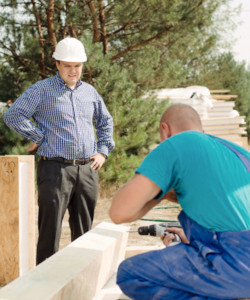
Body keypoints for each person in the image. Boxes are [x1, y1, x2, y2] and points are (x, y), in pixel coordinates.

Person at [109, 103, 250, 300]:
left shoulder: (176, 143)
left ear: (165, 131)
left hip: (236, 264)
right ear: (202, 130)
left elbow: (119, 213)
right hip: (239, 257)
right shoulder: (237, 152)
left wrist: (162, 189)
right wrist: (196, 241)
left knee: (131, 273)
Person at [4, 37, 115, 264]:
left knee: (85, 233)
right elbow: (13, 115)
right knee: (50, 232)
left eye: (77, 66)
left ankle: (81, 284)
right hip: (55, 170)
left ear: (82, 66)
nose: (73, 71)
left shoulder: (90, 92)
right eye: (67, 66)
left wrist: (102, 151)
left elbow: (106, 122)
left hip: (87, 170)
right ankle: (45, 289)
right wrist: (38, 137)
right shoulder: (42, 90)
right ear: (57, 64)